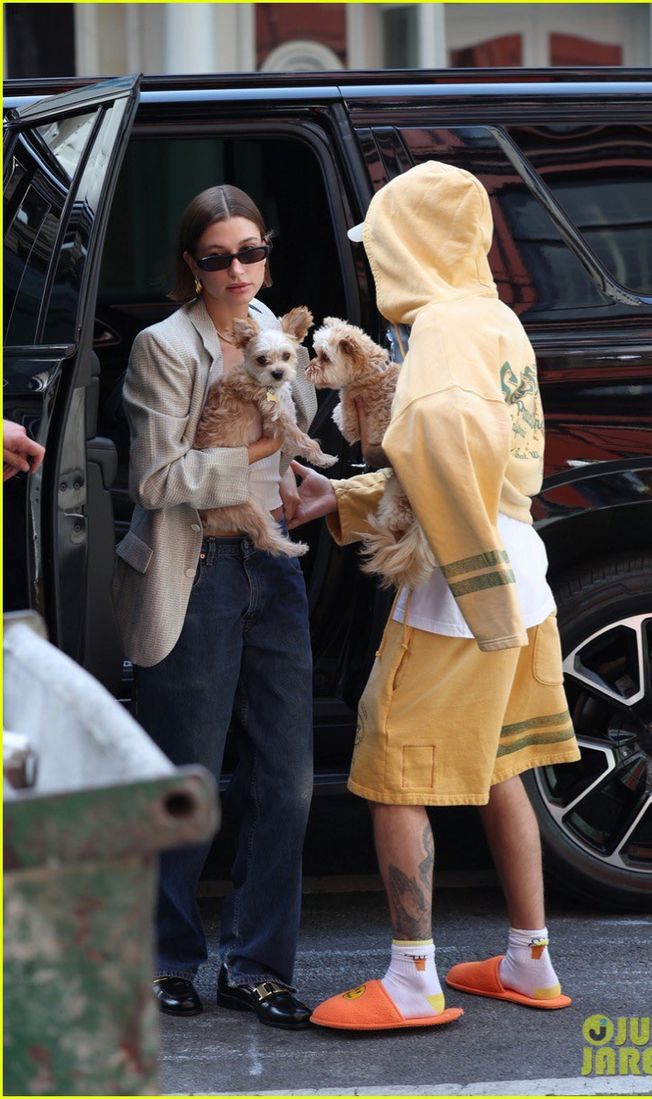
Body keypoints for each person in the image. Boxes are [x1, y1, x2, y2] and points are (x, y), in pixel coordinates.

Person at [288, 160, 581, 1031]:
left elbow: (440, 444)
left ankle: (412, 981)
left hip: (462, 580)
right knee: (497, 766)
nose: (377, 260)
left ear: (406, 244)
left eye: (381, 242)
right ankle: (529, 961)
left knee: (389, 771)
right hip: (518, 559)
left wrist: (463, 574)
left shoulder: (444, 331)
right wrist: (341, 498)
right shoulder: (492, 316)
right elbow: (482, 465)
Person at [112, 185, 315, 1030]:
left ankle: (258, 965)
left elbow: (300, 423)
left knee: (288, 780)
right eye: (216, 256)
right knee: (186, 775)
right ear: (189, 266)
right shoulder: (164, 345)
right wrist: (266, 448)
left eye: (251, 252)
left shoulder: (276, 329)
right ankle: (166, 957)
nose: (237, 270)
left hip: (274, 565)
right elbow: (155, 480)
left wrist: (302, 476)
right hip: (193, 567)